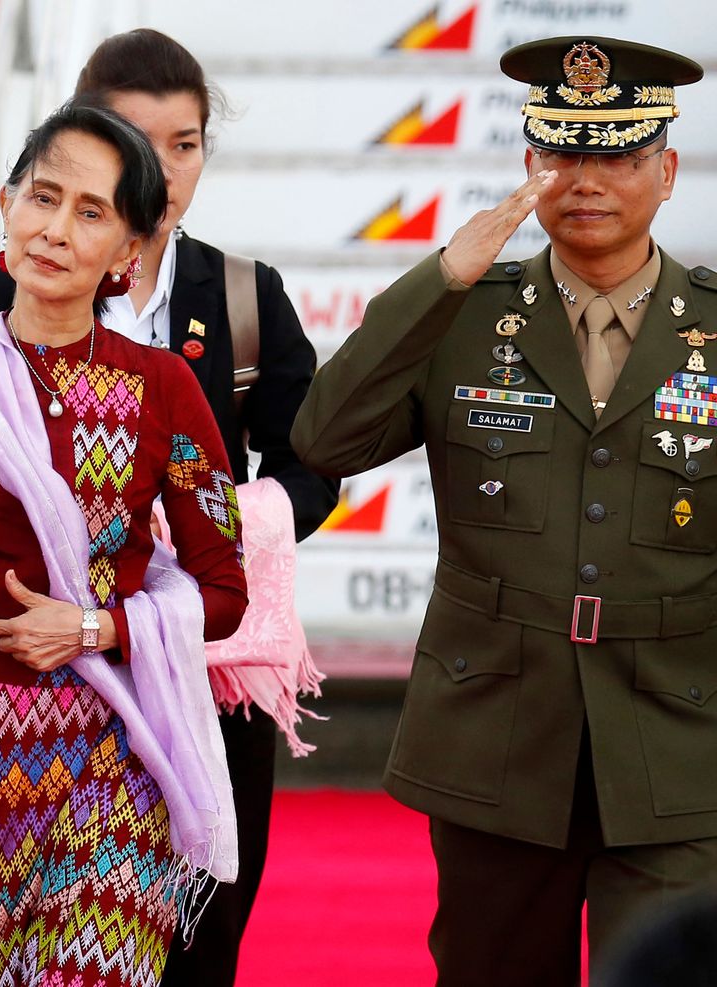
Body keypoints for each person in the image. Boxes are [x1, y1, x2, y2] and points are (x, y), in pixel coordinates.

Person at [291, 36, 713, 985]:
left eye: (617, 154)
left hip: (681, 738)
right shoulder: (465, 316)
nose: (586, 178)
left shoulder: (715, 332)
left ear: (667, 169)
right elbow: (323, 438)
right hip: (497, 735)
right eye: (562, 152)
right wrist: (441, 277)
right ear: (529, 165)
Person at [0, 30, 338, 984]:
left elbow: (312, 463)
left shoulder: (245, 295)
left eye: (186, 143)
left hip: (207, 663)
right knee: (52, 938)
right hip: (51, 665)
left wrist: (222, 527)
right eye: (133, 139)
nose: (161, 170)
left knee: (207, 930)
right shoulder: (9, 291)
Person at [0, 101, 248, 987]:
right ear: (5, 203)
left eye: (91, 212)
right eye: (43, 197)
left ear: (128, 251)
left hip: (121, 751)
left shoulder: (166, 391)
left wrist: (95, 628)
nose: (55, 230)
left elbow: (225, 590)